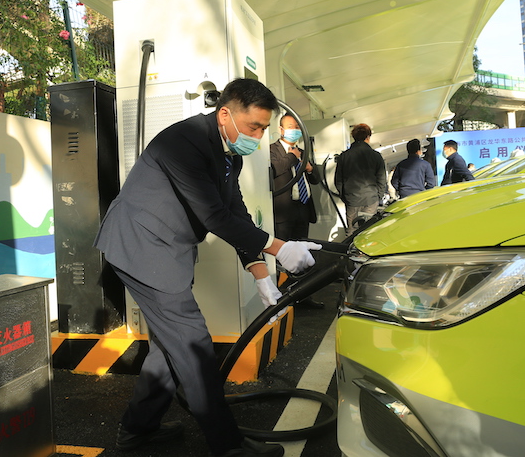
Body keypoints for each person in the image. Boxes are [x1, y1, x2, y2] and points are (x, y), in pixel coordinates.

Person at [94, 78, 321, 457]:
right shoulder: (184, 142)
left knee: (170, 348)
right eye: (254, 127)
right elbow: (213, 216)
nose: (258, 137)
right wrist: (279, 247)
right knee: (194, 346)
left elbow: (236, 212)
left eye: (264, 129)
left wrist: (261, 273)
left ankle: (137, 429)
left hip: (165, 250)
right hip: (142, 248)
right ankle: (228, 447)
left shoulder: (231, 152)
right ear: (225, 114)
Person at [270, 113, 323, 309]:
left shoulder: (303, 150)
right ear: (281, 129)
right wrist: (292, 157)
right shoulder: (272, 150)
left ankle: (303, 296)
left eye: (298, 127)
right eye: (291, 126)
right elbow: (276, 169)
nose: (295, 131)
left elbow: (316, 179)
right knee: (282, 254)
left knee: (303, 252)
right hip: (284, 210)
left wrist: (310, 169)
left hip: (303, 207)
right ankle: (281, 299)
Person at [334, 123, 387, 233]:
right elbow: (381, 179)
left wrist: (345, 197)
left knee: (352, 232)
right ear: (368, 137)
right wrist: (378, 196)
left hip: (352, 199)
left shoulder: (344, 156)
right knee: (369, 232)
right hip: (371, 198)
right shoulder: (376, 156)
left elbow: (338, 181)